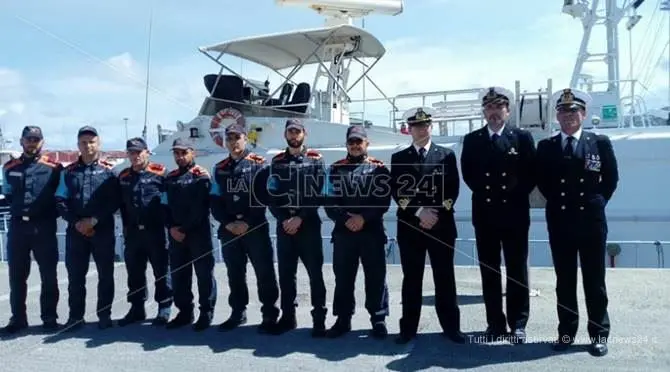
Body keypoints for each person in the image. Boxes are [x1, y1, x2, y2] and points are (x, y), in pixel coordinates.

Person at [536, 88, 619, 357]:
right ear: (557, 116)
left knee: (595, 281)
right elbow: (543, 182)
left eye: (573, 111)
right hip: (560, 221)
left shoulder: (600, 143)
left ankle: (598, 334)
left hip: (591, 221)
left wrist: (595, 203)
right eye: (563, 111)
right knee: (565, 281)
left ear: (583, 114)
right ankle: (566, 333)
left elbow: (611, 180)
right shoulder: (546, 147)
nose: (568, 116)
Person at [460, 86, 536, 343]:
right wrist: (489, 196)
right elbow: (469, 175)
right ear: (484, 111)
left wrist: (512, 196)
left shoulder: (522, 138)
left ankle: (518, 323)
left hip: (514, 213)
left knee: (517, 270)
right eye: (490, 108)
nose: (494, 112)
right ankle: (495, 323)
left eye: (499, 107)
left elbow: (530, 174)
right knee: (489, 270)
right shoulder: (472, 140)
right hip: (485, 213)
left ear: (508, 110)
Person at [390, 108, 465, 345]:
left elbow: (452, 189)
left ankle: (452, 327)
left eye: (425, 125)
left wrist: (435, 213)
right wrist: (419, 212)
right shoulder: (399, 158)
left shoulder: (446, 155)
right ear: (409, 130)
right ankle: (408, 329)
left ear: (430, 127)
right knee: (412, 279)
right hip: (411, 227)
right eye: (416, 126)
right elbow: (398, 191)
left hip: (441, 226)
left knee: (445, 278)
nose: (421, 129)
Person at [210, 124, 280, 334]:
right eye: (229, 138)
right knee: (235, 273)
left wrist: (247, 222)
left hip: (255, 228)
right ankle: (238, 312)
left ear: (245, 139)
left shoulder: (260, 165)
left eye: (237, 137)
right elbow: (214, 200)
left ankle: (269, 313)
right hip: (229, 230)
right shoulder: (219, 168)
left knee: (264, 272)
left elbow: (264, 196)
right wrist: (228, 223)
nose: (233, 142)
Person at [323, 125, 391, 339]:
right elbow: (328, 200)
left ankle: (378, 319)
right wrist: (346, 219)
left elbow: (383, 201)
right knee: (343, 278)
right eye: (351, 142)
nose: (354, 145)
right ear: (346, 144)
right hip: (344, 232)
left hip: (371, 231)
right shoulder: (334, 169)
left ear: (366, 144)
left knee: (376, 277)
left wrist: (363, 218)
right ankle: (343, 319)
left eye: (358, 142)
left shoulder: (379, 169)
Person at [264, 119, 327, 337]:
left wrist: (300, 217)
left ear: (304, 134)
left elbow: (321, 193)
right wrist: (283, 219)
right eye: (290, 131)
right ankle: (288, 317)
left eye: (297, 131)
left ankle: (319, 319)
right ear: (285, 134)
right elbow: (271, 195)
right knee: (286, 274)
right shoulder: (277, 161)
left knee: (315, 274)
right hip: (285, 226)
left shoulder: (316, 160)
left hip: (308, 224)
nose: (294, 135)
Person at [55, 126, 121, 331]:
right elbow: (60, 200)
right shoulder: (68, 172)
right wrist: (77, 223)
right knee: (75, 277)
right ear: (78, 145)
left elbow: (115, 200)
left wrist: (94, 220)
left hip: (102, 229)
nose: (88, 145)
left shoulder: (110, 171)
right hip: (76, 231)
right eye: (83, 142)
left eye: (92, 141)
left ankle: (104, 315)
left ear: (98, 143)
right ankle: (75, 316)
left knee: (105, 275)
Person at [1, 126, 62, 334]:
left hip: (43, 226)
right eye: (28, 139)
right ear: (21, 141)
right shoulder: (9, 167)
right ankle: (18, 318)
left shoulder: (54, 168)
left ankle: (49, 318)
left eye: (36, 139)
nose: (32, 143)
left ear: (42, 142)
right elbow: (8, 193)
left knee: (48, 275)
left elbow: (59, 196)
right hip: (18, 227)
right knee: (17, 276)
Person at [162, 138, 217, 331]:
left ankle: (206, 312)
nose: (180, 156)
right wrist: (171, 227)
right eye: (176, 153)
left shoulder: (201, 176)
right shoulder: (170, 178)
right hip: (176, 234)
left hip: (198, 233)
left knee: (204, 274)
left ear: (192, 152)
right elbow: (164, 206)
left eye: (184, 152)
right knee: (179, 274)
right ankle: (185, 312)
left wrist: (183, 229)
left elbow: (200, 208)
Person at [117, 137, 173, 326]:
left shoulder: (161, 174)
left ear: (146, 152)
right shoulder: (123, 177)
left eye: (138, 152)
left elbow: (169, 202)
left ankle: (164, 307)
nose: (135, 156)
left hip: (156, 232)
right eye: (131, 152)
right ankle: (136, 308)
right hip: (133, 233)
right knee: (134, 272)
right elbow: (122, 205)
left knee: (162, 271)